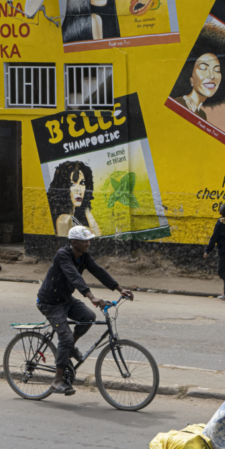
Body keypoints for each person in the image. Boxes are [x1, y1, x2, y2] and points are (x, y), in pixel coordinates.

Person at [36, 225, 134, 395]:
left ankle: (70, 348)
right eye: (84, 241)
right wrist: (91, 296)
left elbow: (98, 271)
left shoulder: (84, 256)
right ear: (74, 242)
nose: (88, 243)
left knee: (88, 317)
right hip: (50, 303)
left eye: (89, 240)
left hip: (66, 299)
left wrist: (120, 289)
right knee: (65, 338)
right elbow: (74, 276)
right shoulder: (63, 255)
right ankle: (57, 380)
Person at [170, 24, 225, 120]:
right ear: (191, 78)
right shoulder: (177, 104)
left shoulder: (202, 116)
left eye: (217, 70)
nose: (211, 75)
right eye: (203, 68)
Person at [47, 160, 101, 238]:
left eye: (82, 183)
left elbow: (98, 237)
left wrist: (86, 207)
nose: (79, 190)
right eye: (72, 184)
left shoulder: (76, 217)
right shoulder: (64, 220)